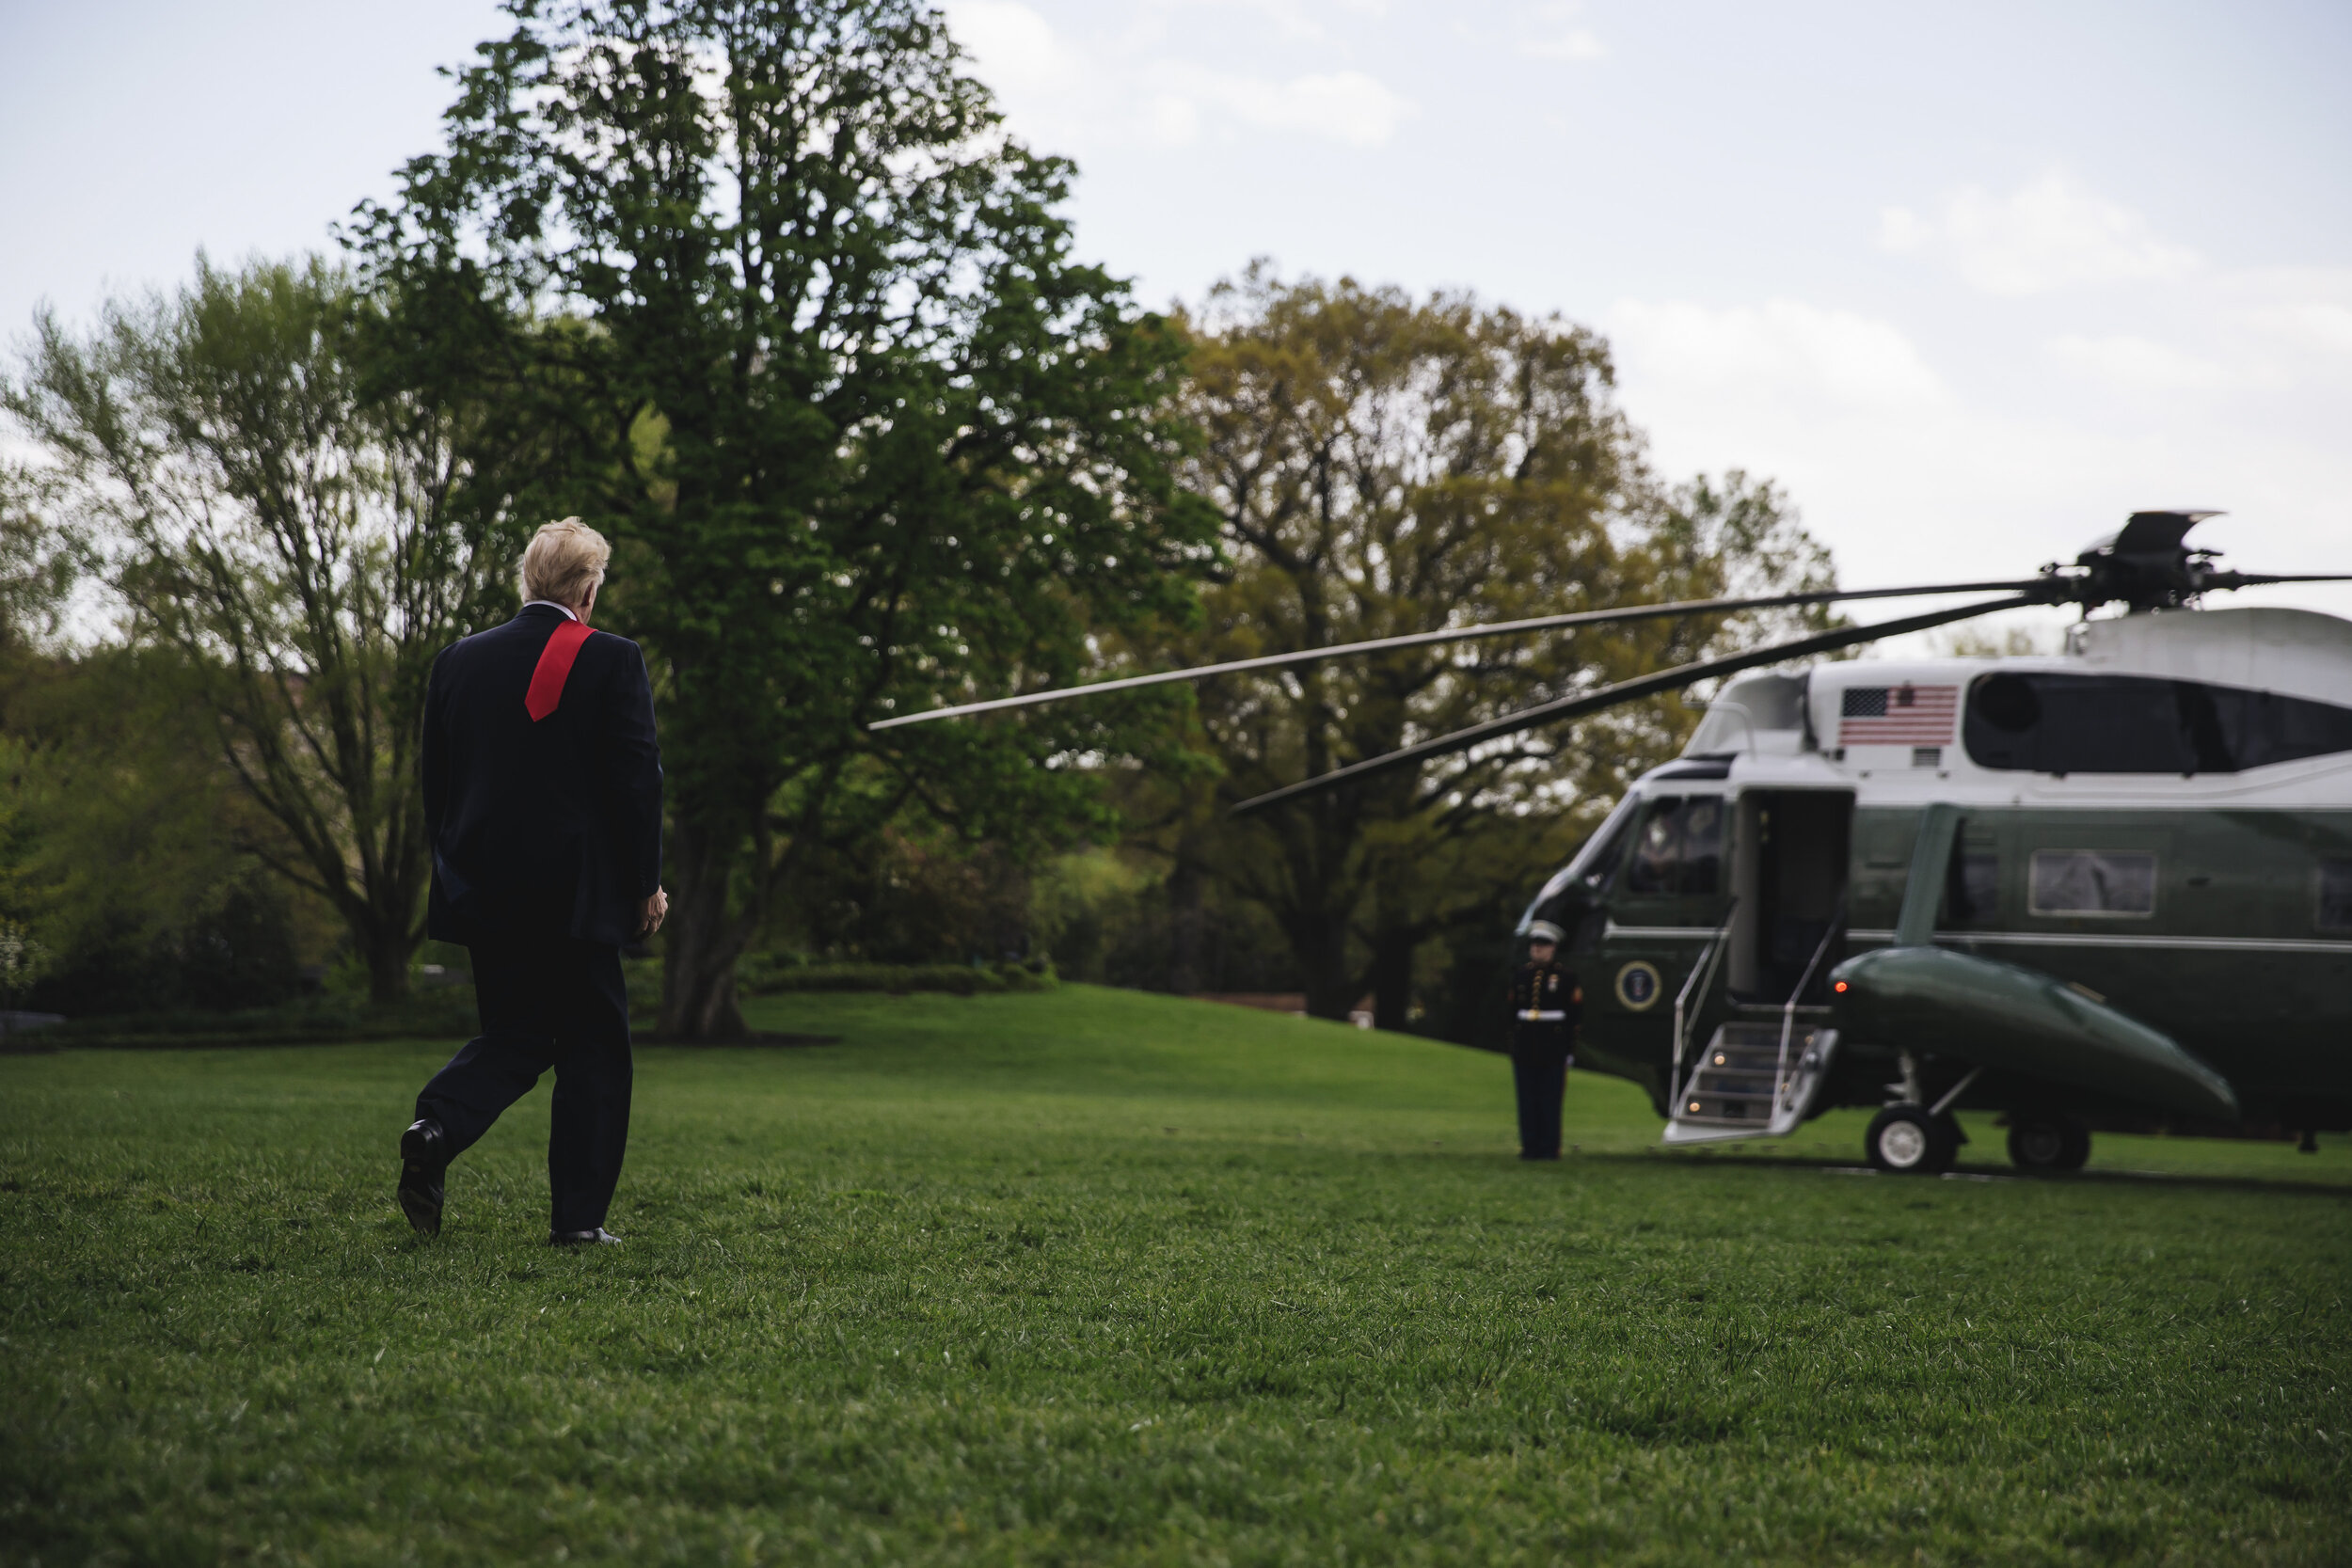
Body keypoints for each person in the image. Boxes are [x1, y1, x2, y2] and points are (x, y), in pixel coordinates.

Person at [396, 518, 666, 1246]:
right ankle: (579, 1223)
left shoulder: (456, 661)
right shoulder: (612, 658)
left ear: (528, 581)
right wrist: (646, 883)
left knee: (516, 1031)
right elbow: (638, 779)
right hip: (577, 897)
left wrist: (457, 872)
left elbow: (437, 785)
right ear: (587, 587)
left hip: (483, 891)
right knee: (595, 1046)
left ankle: (435, 1125)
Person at [1506, 920, 1581, 1161]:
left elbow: (1574, 1016)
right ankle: (1530, 1146)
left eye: (1543, 945)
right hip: (1527, 1043)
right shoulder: (1521, 975)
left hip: (1553, 1045)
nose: (1537, 949)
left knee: (1550, 1099)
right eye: (1534, 944)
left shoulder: (1566, 977)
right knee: (1527, 1098)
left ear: (1553, 948)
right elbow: (1511, 1012)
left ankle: (1550, 1147)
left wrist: (1569, 1048)